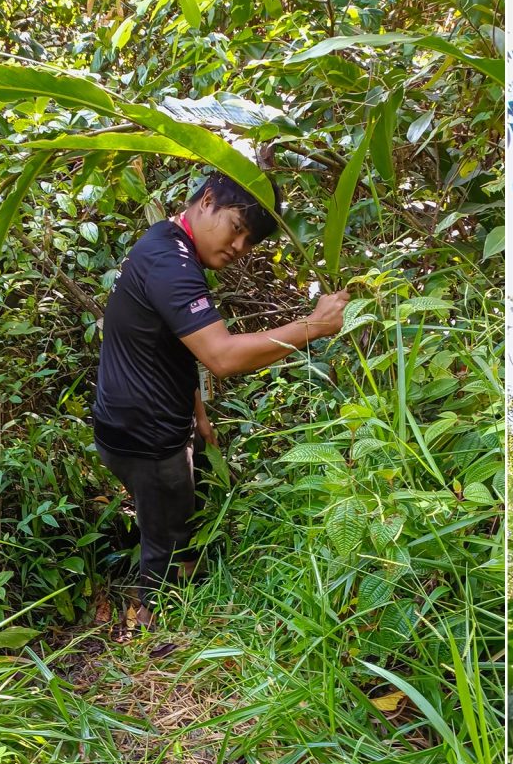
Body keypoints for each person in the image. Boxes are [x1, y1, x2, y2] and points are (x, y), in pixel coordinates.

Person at [92, 169, 350, 631]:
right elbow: (222, 357)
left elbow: (170, 345)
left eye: (249, 241)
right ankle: (147, 636)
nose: (238, 248)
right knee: (164, 541)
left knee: (178, 516)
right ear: (207, 198)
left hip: (137, 419)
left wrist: (198, 413)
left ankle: (179, 599)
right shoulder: (171, 264)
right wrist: (312, 327)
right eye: (237, 228)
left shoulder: (165, 242)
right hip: (146, 435)